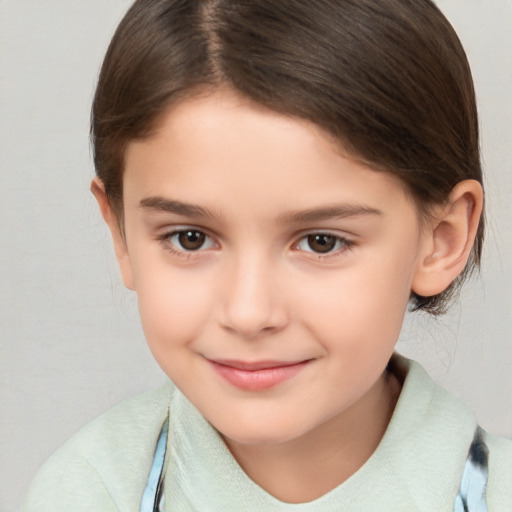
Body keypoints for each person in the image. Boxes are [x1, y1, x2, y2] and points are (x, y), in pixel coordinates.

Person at [21, 0, 512, 510]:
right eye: (190, 238)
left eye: (321, 242)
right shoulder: (87, 493)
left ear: (443, 238)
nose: (249, 313)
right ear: (121, 232)